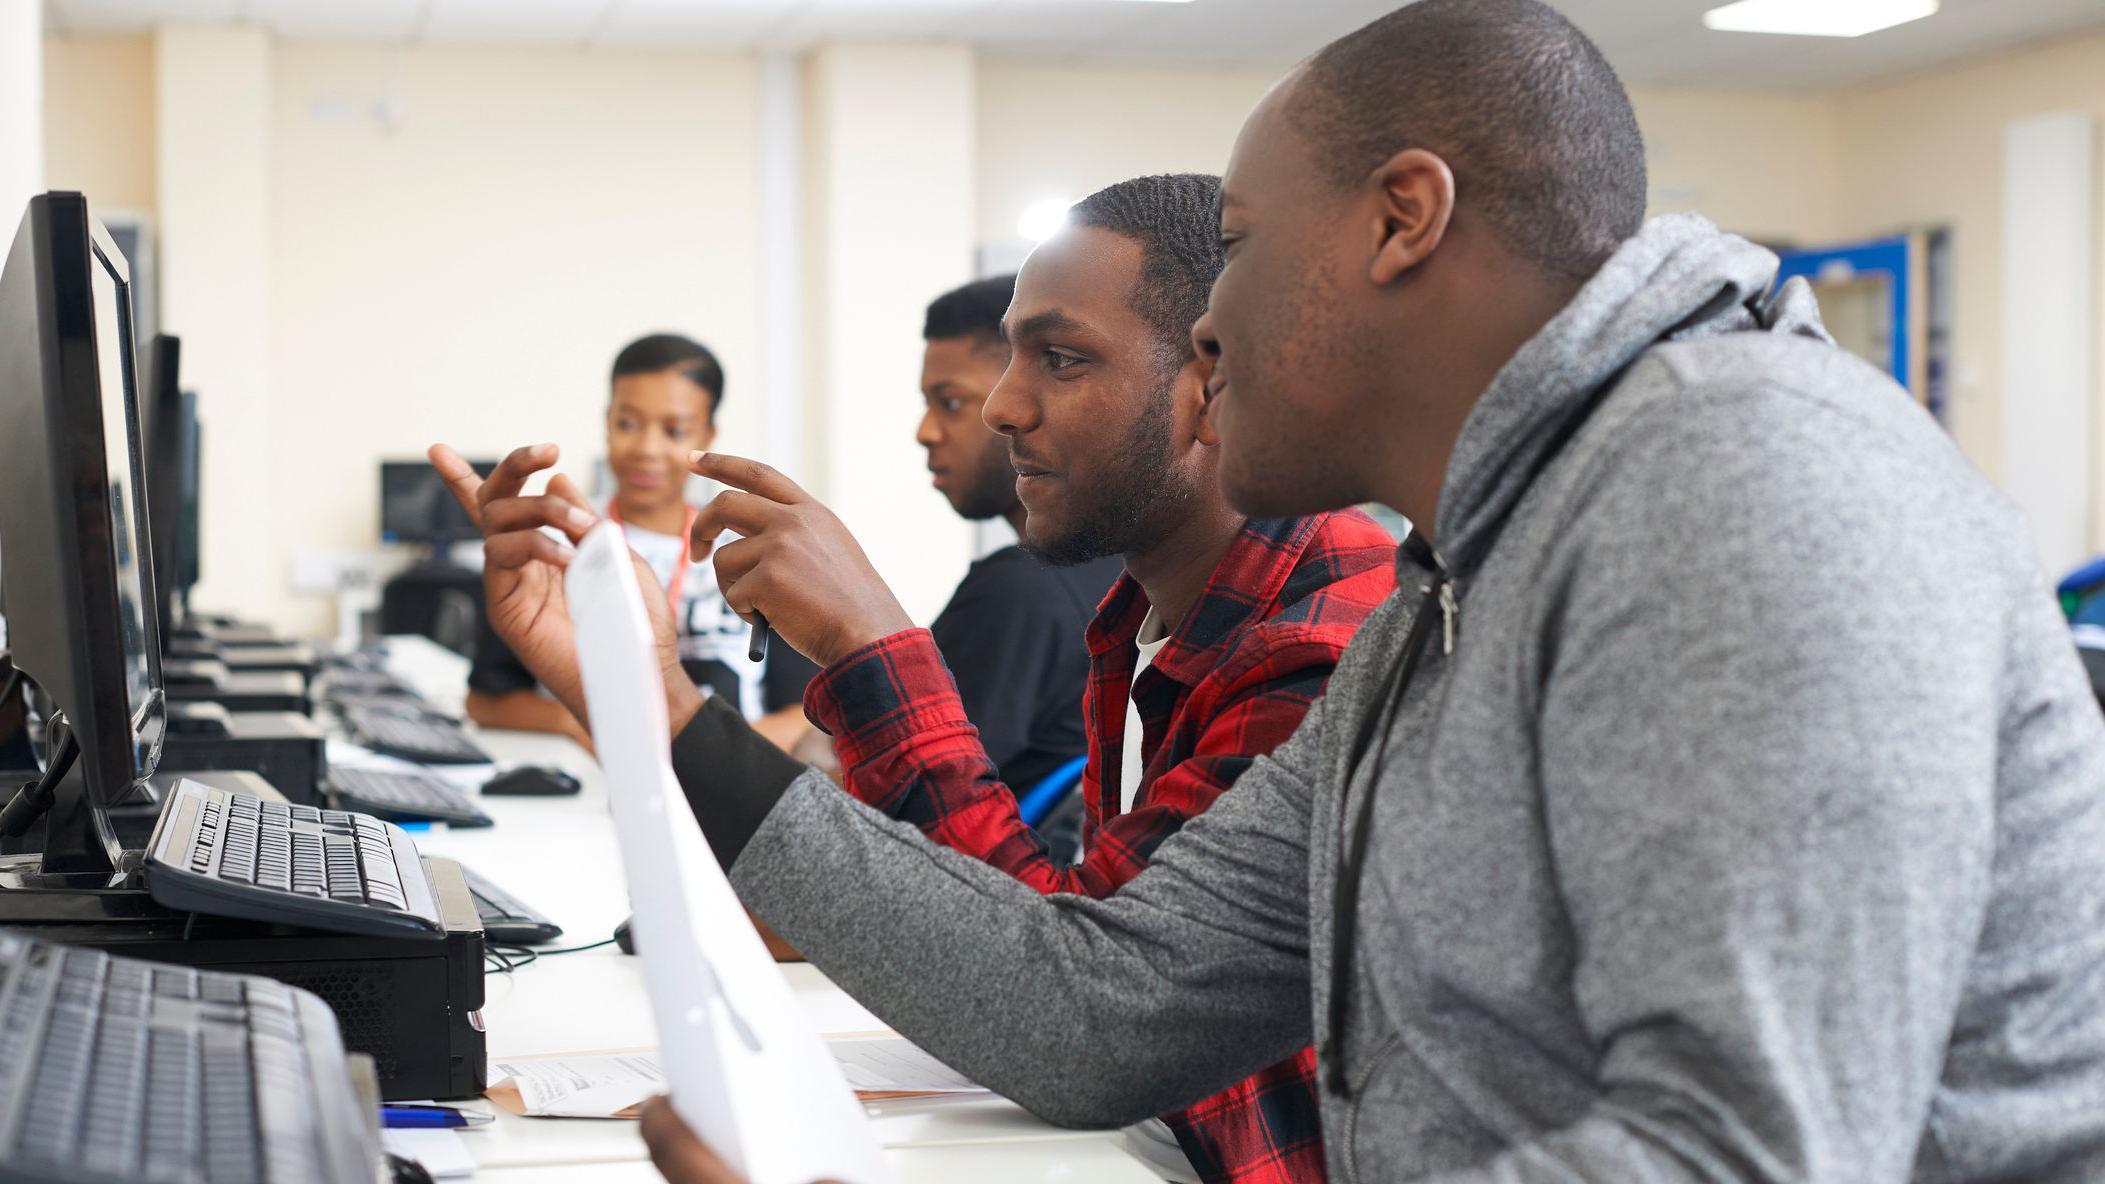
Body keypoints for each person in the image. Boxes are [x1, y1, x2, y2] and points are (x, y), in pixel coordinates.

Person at [453, 0, 2105, 1175]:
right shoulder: (1468, 584)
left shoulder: (1746, 485)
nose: (1212, 329)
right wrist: (662, 708)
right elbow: (1102, 1004)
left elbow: (1738, 1150)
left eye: (1237, 243)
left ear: (1401, 221)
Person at [433, 172, 1398, 1184]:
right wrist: (630, 684)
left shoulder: (1322, 639)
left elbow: (1066, 1012)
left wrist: (868, 640)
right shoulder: (1147, 620)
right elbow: (1054, 953)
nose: (1000, 405)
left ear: (1210, 376)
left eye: (1059, 357)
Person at [463, 334, 818, 752]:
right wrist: (579, 723)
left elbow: (804, 715)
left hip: (728, 792)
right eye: (628, 424)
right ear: (607, 421)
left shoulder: (752, 554)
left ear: (707, 433)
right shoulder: (554, 544)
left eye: (675, 430)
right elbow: (487, 702)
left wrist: (705, 758)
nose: (647, 449)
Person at [916, 274, 1123, 858]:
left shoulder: (1018, 591)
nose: (925, 432)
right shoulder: (1123, 576)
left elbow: (902, 812)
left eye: (951, 402)